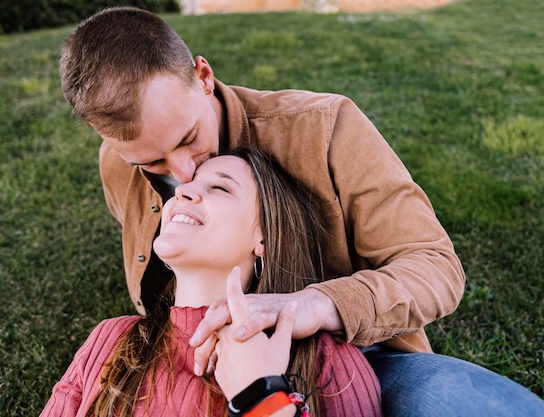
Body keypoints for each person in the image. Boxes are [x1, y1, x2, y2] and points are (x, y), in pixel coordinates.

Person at [58, 7, 544, 416]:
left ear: (204, 77)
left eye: (187, 139)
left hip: (345, 352)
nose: (182, 176)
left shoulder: (324, 129)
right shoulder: (117, 166)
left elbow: (435, 268)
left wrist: (311, 306)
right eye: (152, 162)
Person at [40, 148, 383, 416]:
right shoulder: (112, 339)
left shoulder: (326, 360)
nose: (184, 191)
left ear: (264, 236)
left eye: (219, 187)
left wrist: (262, 399)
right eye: (183, 187)